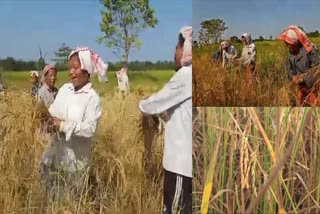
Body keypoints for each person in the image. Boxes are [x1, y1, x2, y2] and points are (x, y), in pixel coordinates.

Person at [139, 26, 192, 214]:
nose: (174, 53)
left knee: (175, 210)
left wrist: (141, 104)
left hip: (180, 167)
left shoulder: (185, 75)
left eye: (177, 48)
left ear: (184, 49)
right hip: (189, 165)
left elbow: (154, 104)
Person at [40, 47, 106, 198]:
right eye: (70, 68)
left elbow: (90, 129)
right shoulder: (64, 89)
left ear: (86, 70)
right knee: (51, 198)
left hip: (75, 164)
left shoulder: (92, 97)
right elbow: (53, 112)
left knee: (71, 202)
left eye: (75, 68)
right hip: (55, 157)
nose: (71, 72)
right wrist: (47, 120)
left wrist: (63, 126)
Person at [278, 25, 320, 106]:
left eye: (288, 42)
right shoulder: (292, 53)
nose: (286, 44)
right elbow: (290, 71)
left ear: (296, 41)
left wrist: (303, 79)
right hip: (301, 89)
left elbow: (317, 72)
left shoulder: (310, 51)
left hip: (313, 90)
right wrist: (292, 77)